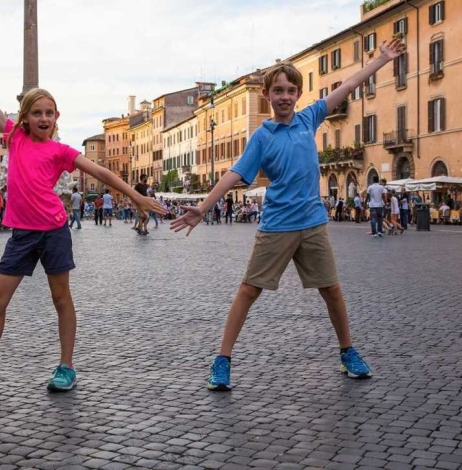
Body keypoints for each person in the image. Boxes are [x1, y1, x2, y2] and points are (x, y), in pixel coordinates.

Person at [171, 42, 404, 389]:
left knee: (333, 291)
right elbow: (234, 174)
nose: (284, 96)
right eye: (277, 90)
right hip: (277, 225)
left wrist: (382, 61)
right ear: (266, 95)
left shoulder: (309, 118)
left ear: (298, 94)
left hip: (312, 223)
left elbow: (347, 87)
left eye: (290, 90)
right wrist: (203, 208)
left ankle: (347, 353)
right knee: (248, 291)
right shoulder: (262, 137)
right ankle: (222, 361)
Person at [0, 58, 166, 396]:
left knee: (61, 298)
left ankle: (66, 367)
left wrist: (135, 197)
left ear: (56, 118)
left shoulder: (61, 151)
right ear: (24, 117)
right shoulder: (14, 138)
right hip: (22, 233)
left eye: (50, 113)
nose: (44, 118)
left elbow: (101, 173)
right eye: (37, 112)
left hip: (54, 230)